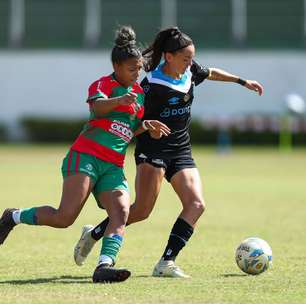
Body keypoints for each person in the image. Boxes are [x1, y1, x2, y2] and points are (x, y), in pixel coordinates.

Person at [73, 27, 264, 278]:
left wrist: (242, 81)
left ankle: (166, 262)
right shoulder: (151, 85)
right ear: (168, 57)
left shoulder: (189, 71)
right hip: (153, 150)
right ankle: (94, 234)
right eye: (185, 59)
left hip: (181, 149)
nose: (190, 63)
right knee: (140, 211)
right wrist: (147, 128)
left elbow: (211, 72)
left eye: (191, 58)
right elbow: (131, 125)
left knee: (196, 204)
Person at [0, 26, 170, 283]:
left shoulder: (138, 94)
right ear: (116, 65)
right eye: (131, 69)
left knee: (121, 211)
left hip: (113, 165)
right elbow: (98, 108)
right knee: (64, 217)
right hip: (86, 157)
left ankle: (104, 266)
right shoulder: (103, 84)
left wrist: (146, 127)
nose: (137, 74)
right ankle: (12, 216)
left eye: (139, 69)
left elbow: (128, 129)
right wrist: (118, 101)